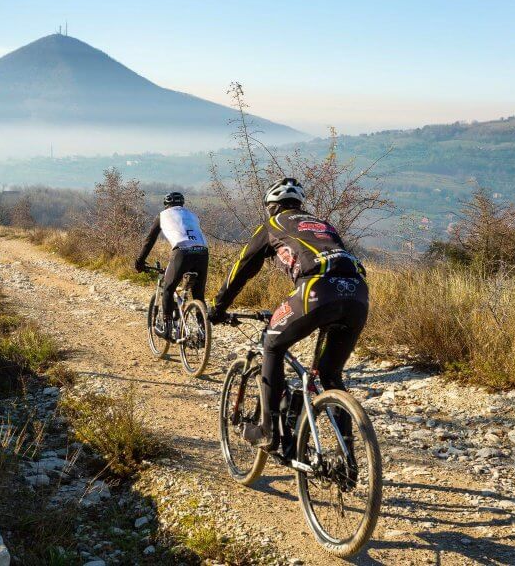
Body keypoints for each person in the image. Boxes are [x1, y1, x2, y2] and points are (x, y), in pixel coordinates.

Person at [209, 177, 368, 452]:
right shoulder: (324, 225)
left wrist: (219, 305)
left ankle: (268, 431)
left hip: (316, 290)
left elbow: (242, 267)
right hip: (358, 295)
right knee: (330, 374)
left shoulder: (272, 225)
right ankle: (348, 458)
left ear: (272, 207)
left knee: (272, 344)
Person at [134, 192, 209, 340]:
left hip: (182, 252)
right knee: (199, 295)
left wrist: (139, 261)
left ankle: (167, 328)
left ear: (166, 205)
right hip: (203, 253)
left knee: (168, 288)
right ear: (182, 204)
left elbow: (149, 240)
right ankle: (203, 333)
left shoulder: (162, 215)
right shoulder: (193, 215)